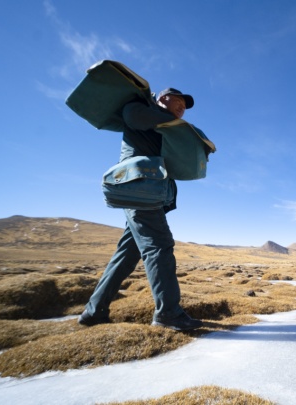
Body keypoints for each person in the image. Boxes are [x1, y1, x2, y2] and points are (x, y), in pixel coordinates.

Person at [78, 88, 203, 331]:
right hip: (138, 190)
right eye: (178, 101)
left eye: (185, 106)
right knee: (159, 245)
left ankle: (94, 312)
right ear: (163, 98)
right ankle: (168, 313)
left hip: (146, 193)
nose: (182, 108)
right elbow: (132, 116)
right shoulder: (140, 108)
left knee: (127, 254)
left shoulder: (161, 126)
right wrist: (177, 123)